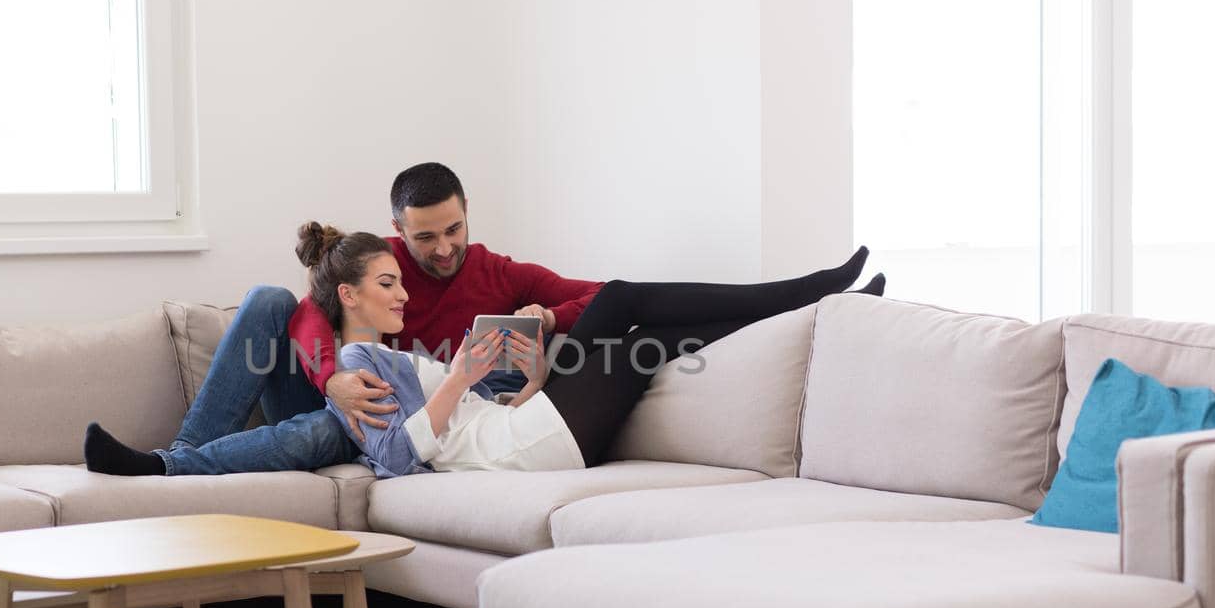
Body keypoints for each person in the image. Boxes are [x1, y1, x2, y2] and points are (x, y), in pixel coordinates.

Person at [83, 162, 609, 476]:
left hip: (385, 419)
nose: (445, 248)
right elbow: (310, 312)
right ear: (397, 228)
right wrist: (332, 378)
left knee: (326, 431)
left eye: (454, 229)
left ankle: (164, 470)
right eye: (425, 237)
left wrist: (548, 315)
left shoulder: (500, 273)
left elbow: (601, 296)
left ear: (467, 210)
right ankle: (182, 455)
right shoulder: (380, 263)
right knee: (269, 299)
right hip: (334, 393)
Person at [302, 223, 882, 477]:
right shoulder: (355, 366)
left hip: (523, 428)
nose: (403, 293)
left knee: (652, 344)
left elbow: (467, 429)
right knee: (620, 299)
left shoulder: (395, 358)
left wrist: (533, 378)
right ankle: (805, 290)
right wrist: (458, 377)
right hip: (524, 448)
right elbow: (398, 459)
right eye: (388, 285)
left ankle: (811, 309)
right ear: (349, 297)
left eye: (399, 281)